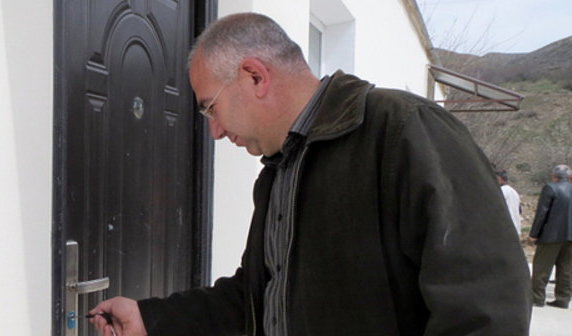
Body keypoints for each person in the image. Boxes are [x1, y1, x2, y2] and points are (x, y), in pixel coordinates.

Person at [90, 13, 531, 336]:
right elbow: (256, 296)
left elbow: (487, 309)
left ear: (254, 76)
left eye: (210, 106)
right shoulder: (279, 172)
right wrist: (151, 318)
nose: (215, 130)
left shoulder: (402, 130)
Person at [529, 164, 572, 309]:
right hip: (570, 237)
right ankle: (563, 298)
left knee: (542, 267)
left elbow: (542, 213)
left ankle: (537, 297)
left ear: (554, 176)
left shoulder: (551, 188)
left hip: (551, 235)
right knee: (566, 269)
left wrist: (534, 234)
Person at [496, 169, 522, 235]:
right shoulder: (514, 192)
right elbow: (520, 211)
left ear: (499, 179)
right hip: (515, 228)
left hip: (505, 228)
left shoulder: (501, 191)